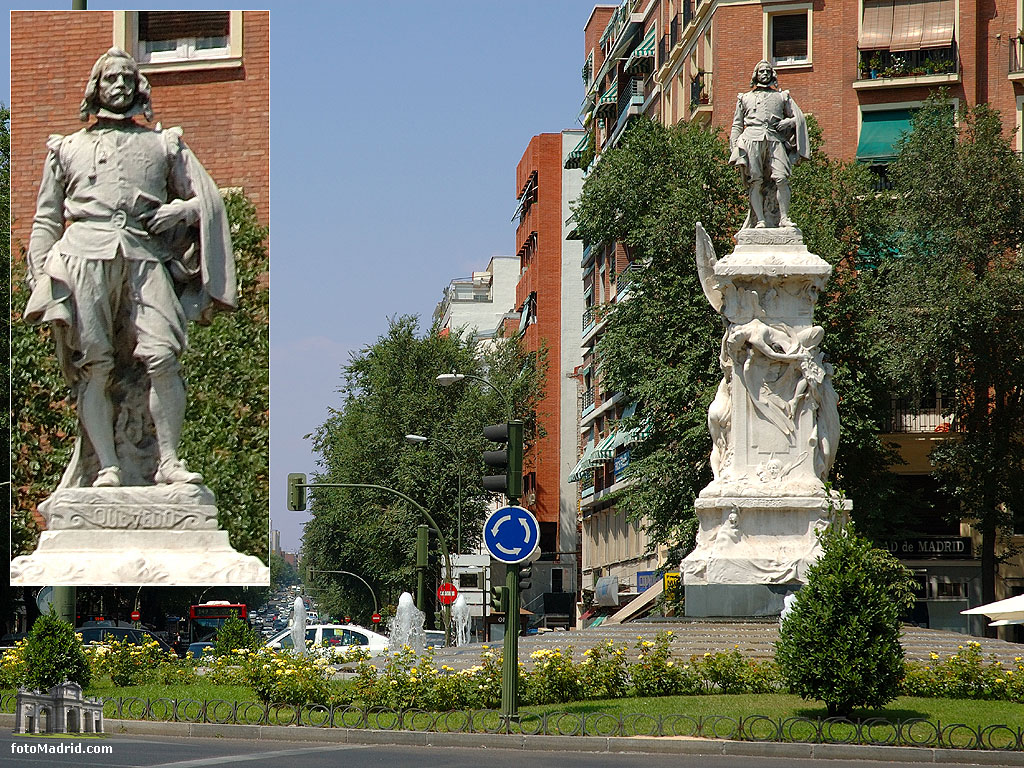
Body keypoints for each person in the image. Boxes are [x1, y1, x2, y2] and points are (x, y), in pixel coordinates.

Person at [25, 48, 236, 489]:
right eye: (110, 79)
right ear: (96, 88)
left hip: (144, 256)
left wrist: (180, 213)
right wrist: (41, 275)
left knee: (163, 355)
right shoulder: (67, 147)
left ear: (139, 87)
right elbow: (46, 218)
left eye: (127, 78)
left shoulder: (164, 144)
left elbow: (208, 201)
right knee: (95, 364)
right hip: (83, 254)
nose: (119, 85)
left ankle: (169, 462)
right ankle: (107, 466)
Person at [729, 60, 810, 229]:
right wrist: (735, 146)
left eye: (767, 71)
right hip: (751, 139)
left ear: (772, 74)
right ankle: (760, 220)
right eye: (761, 71)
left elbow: (799, 118)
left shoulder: (782, 96)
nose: (765, 74)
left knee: (781, 178)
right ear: (756, 75)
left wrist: (787, 123)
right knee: (755, 180)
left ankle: (784, 218)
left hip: (775, 139)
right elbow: (737, 124)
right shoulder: (744, 98)